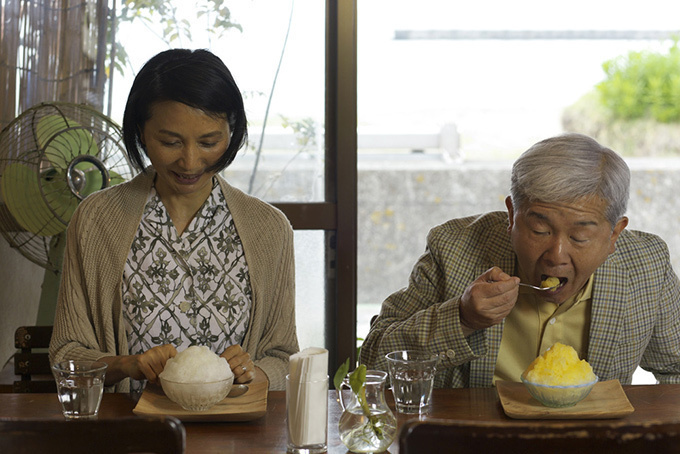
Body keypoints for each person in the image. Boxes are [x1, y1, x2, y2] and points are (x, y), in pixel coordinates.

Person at [49, 48, 298, 392]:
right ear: (141, 132)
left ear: (232, 131)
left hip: (233, 438)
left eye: (209, 142)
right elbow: (67, 354)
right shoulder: (95, 221)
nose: (190, 161)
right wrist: (125, 365)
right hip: (132, 436)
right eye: (170, 142)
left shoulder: (269, 229)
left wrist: (252, 372)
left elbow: (284, 357)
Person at [360, 133, 680, 387]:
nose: (556, 256)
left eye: (580, 237)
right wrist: (461, 318)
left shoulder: (646, 265)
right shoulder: (454, 247)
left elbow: (675, 370)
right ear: (512, 216)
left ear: (613, 234)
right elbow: (371, 363)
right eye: (539, 229)